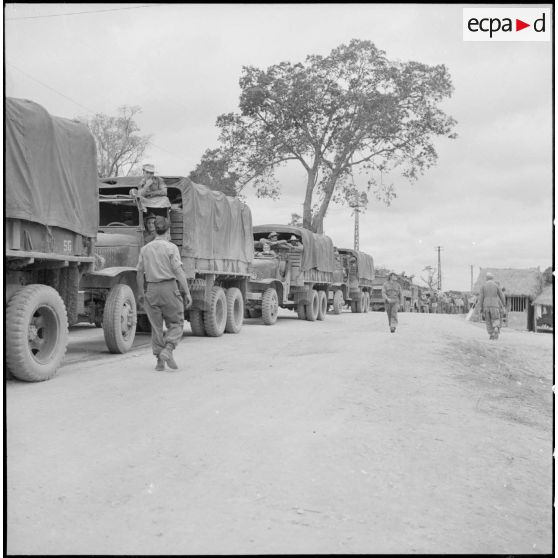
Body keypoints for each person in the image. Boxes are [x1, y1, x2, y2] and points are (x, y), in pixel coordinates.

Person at [136, 216, 192, 371]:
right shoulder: (171, 248)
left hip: (151, 290)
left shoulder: (145, 249)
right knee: (177, 323)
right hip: (169, 288)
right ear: (168, 230)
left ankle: (159, 361)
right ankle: (168, 349)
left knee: (156, 327)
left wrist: (141, 293)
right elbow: (178, 271)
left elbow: (139, 273)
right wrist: (187, 292)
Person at [478, 272, 506, 340]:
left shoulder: (483, 286)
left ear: (486, 278)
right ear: (492, 278)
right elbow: (501, 295)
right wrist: (503, 304)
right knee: (495, 318)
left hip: (486, 306)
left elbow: (481, 297)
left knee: (488, 320)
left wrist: (480, 307)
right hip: (495, 305)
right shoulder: (496, 285)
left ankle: (491, 333)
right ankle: (496, 328)